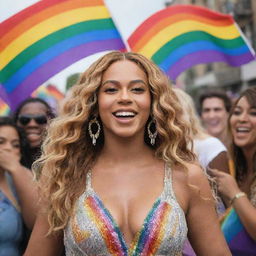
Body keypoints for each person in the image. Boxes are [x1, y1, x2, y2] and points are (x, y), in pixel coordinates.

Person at [24, 51, 231, 256]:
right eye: (111, 90)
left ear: (153, 102)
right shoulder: (65, 176)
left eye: (137, 89)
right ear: (94, 103)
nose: (125, 98)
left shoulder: (187, 177)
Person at [210, 87, 256, 255]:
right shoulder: (237, 167)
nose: (242, 119)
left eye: (253, 113)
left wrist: (235, 193)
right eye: (237, 112)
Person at [0, 117, 37, 256]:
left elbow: (35, 223)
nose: (8, 148)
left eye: (15, 145)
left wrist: (15, 169)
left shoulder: (20, 178)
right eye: (1, 142)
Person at [13, 98, 55, 166]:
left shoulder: (65, 160)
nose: (32, 124)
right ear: (15, 122)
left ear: (52, 123)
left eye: (40, 119)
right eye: (25, 119)